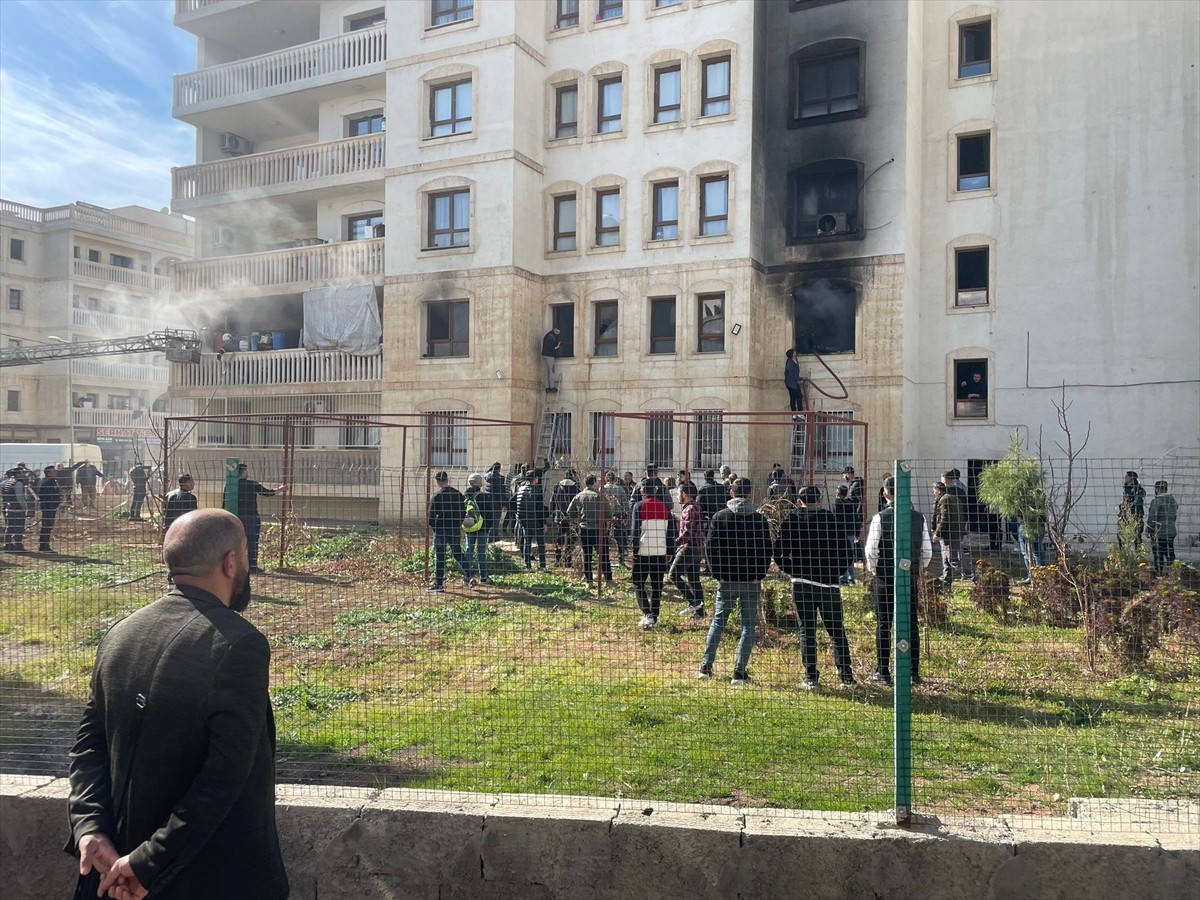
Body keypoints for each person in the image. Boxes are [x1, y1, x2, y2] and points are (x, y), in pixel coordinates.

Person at [66, 508, 289, 900]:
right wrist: (149, 862)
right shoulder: (236, 642)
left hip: (106, 874)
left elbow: (88, 747)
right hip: (202, 881)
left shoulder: (121, 633)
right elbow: (225, 776)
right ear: (231, 562)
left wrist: (90, 829)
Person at [775, 486, 856, 689]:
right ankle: (846, 676)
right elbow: (847, 551)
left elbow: (779, 552)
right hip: (828, 584)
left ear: (799, 501)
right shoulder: (830, 520)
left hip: (802, 583)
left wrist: (793, 570)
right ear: (819, 500)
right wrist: (835, 572)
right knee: (836, 629)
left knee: (807, 630)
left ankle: (811, 676)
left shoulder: (792, 520)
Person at [698, 478, 773, 684]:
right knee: (748, 627)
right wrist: (760, 574)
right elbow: (766, 550)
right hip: (751, 580)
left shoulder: (719, 517)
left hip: (726, 579)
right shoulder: (759, 520)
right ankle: (739, 672)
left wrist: (717, 573)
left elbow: (710, 549)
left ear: (731, 493)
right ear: (751, 495)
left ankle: (705, 667)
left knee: (718, 622)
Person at [864, 476, 933, 687]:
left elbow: (871, 551)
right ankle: (913, 672)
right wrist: (915, 569)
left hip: (885, 576)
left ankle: (883, 672)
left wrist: (875, 570)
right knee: (910, 622)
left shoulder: (880, 518)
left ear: (885, 494)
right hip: (909, 576)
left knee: (884, 623)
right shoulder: (919, 518)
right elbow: (927, 552)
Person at [630, 481, 676, 627]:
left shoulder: (638, 506)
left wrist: (633, 549)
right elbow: (671, 532)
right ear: (655, 490)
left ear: (642, 490)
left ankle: (647, 612)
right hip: (660, 551)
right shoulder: (665, 508)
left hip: (643, 551)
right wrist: (670, 551)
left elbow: (634, 531)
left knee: (638, 582)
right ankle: (654, 616)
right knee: (657, 585)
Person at [227, 463, 286, 573]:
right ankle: (252, 565)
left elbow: (226, 502)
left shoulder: (230, 486)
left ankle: (236, 566)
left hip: (236, 517)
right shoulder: (252, 484)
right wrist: (280, 489)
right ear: (244, 472)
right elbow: (267, 493)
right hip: (251, 516)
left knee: (236, 542)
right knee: (252, 541)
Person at [567, 474, 613, 585]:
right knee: (603, 555)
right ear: (593, 483)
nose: (598, 483)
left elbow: (570, 512)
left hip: (584, 529)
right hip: (599, 530)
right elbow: (608, 514)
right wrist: (607, 527)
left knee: (587, 556)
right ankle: (608, 579)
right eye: (597, 481)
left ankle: (589, 581)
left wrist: (576, 521)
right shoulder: (600, 496)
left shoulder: (579, 496)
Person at [668, 481, 706, 618]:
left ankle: (693, 602)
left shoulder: (689, 509)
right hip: (697, 548)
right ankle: (700, 612)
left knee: (673, 575)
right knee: (694, 580)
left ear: (684, 494)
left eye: (678, 493)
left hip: (688, 548)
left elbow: (687, 533)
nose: (677, 496)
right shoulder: (695, 507)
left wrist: (673, 545)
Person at [427, 471, 467, 592]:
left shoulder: (437, 497)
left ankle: (439, 583)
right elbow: (463, 512)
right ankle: (469, 575)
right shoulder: (458, 494)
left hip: (441, 530)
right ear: (447, 480)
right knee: (458, 553)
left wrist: (435, 528)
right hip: (454, 528)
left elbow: (431, 517)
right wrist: (458, 523)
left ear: (438, 482)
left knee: (440, 556)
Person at [932, 480, 970, 586]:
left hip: (950, 533)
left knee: (952, 558)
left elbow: (944, 518)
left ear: (938, 491)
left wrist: (937, 533)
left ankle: (971, 575)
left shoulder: (945, 500)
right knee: (946, 557)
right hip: (955, 532)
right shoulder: (952, 498)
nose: (933, 493)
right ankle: (947, 578)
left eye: (934, 490)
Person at [461, 473, 492, 586]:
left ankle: (467, 576)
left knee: (469, 550)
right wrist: (488, 526)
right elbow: (489, 513)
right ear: (480, 483)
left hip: (469, 526)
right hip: (482, 528)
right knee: (481, 552)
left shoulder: (465, 496)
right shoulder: (483, 496)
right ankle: (483, 577)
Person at [515, 469, 548, 569]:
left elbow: (512, 502)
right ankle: (542, 566)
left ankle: (527, 565)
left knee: (526, 542)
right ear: (536, 479)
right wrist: (544, 523)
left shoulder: (520, 489)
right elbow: (539, 509)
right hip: (536, 521)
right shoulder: (538, 490)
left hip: (524, 520)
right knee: (541, 543)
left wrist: (518, 514)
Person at [1146, 480, 1178, 575]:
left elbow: (1152, 518)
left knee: (1158, 554)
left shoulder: (1156, 501)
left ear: (1156, 489)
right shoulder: (1172, 501)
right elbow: (1174, 516)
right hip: (1171, 530)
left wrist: (1148, 530)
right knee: (1170, 553)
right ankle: (1172, 574)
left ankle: (1159, 574)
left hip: (1159, 532)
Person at [550, 469, 580, 566]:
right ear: (573, 475)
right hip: (572, 517)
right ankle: (568, 560)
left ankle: (557, 559)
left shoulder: (557, 486)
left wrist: (553, 513)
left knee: (560, 538)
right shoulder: (576, 487)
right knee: (571, 538)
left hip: (559, 516)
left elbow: (552, 501)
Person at [831, 484, 860, 584]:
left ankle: (843, 578)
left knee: (841, 555)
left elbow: (836, 518)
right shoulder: (851, 504)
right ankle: (851, 577)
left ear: (838, 493)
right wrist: (857, 532)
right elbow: (856, 518)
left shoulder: (837, 503)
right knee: (850, 555)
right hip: (851, 532)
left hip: (841, 532)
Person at [602, 471, 631, 565]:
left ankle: (605, 559)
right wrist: (626, 516)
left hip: (605, 516)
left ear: (606, 479)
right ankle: (621, 558)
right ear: (615, 479)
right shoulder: (620, 489)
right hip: (618, 515)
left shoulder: (602, 489)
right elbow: (625, 504)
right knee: (619, 538)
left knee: (604, 537)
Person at [36, 464, 63, 553]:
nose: (56, 472)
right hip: (48, 507)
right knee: (46, 527)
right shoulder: (47, 482)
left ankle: (45, 545)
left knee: (48, 527)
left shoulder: (51, 481)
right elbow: (47, 495)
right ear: (49, 473)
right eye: (54, 471)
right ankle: (43, 547)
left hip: (51, 507)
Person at [1118, 471, 1146, 550]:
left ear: (1131, 478)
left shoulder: (1138, 489)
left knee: (1137, 535)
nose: (1125, 478)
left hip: (1136, 515)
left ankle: (1138, 553)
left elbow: (1138, 502)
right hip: (1125, 515)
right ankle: (1122, 552)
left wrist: (1130, 508)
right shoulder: (1126, 488)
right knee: (1121, 535)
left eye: (1127, 476)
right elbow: (1124, 501)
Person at [2, 469, 29, 552]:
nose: (24, 474)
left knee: (9, 527)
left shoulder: (8, 482)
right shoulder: (18, 483)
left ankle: (7, 544)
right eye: (22, 472)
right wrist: (24, 507)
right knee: (19, 528)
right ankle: (18, 546)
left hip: (9, 508)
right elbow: (19, 497)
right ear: (17, 474)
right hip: (17, 509)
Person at [484, 462, 509, 543]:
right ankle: (491, 538)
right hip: (496, 502)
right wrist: (504, 504)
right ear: (499, 469)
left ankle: (495, 537)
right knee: (496, 520)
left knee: (490, 519)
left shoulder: (487, 476)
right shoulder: (499, 478)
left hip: (487, 500)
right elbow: (501, 492)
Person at [541, 325, 562, 392]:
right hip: (549, 355)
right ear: (554, 329)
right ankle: (552, 387)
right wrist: (557, 347)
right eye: (556, 331)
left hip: (545, 355)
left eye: (558, 332)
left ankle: (547, 387)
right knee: (551, 371)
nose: (557, 333)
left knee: (547, 371)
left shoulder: (549, 335)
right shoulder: (551, 337)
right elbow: (551, 348)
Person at [784, 348, 803, 415]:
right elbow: (790, 372)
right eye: (794, 352)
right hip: (791, 383)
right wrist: (798, 378)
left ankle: (799, 412)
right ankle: (795, 413)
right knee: (794, 397)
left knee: (799, 396)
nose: (796, 352)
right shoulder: (789, 361)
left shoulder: (795, 361)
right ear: (792, 354)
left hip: (794, 382)